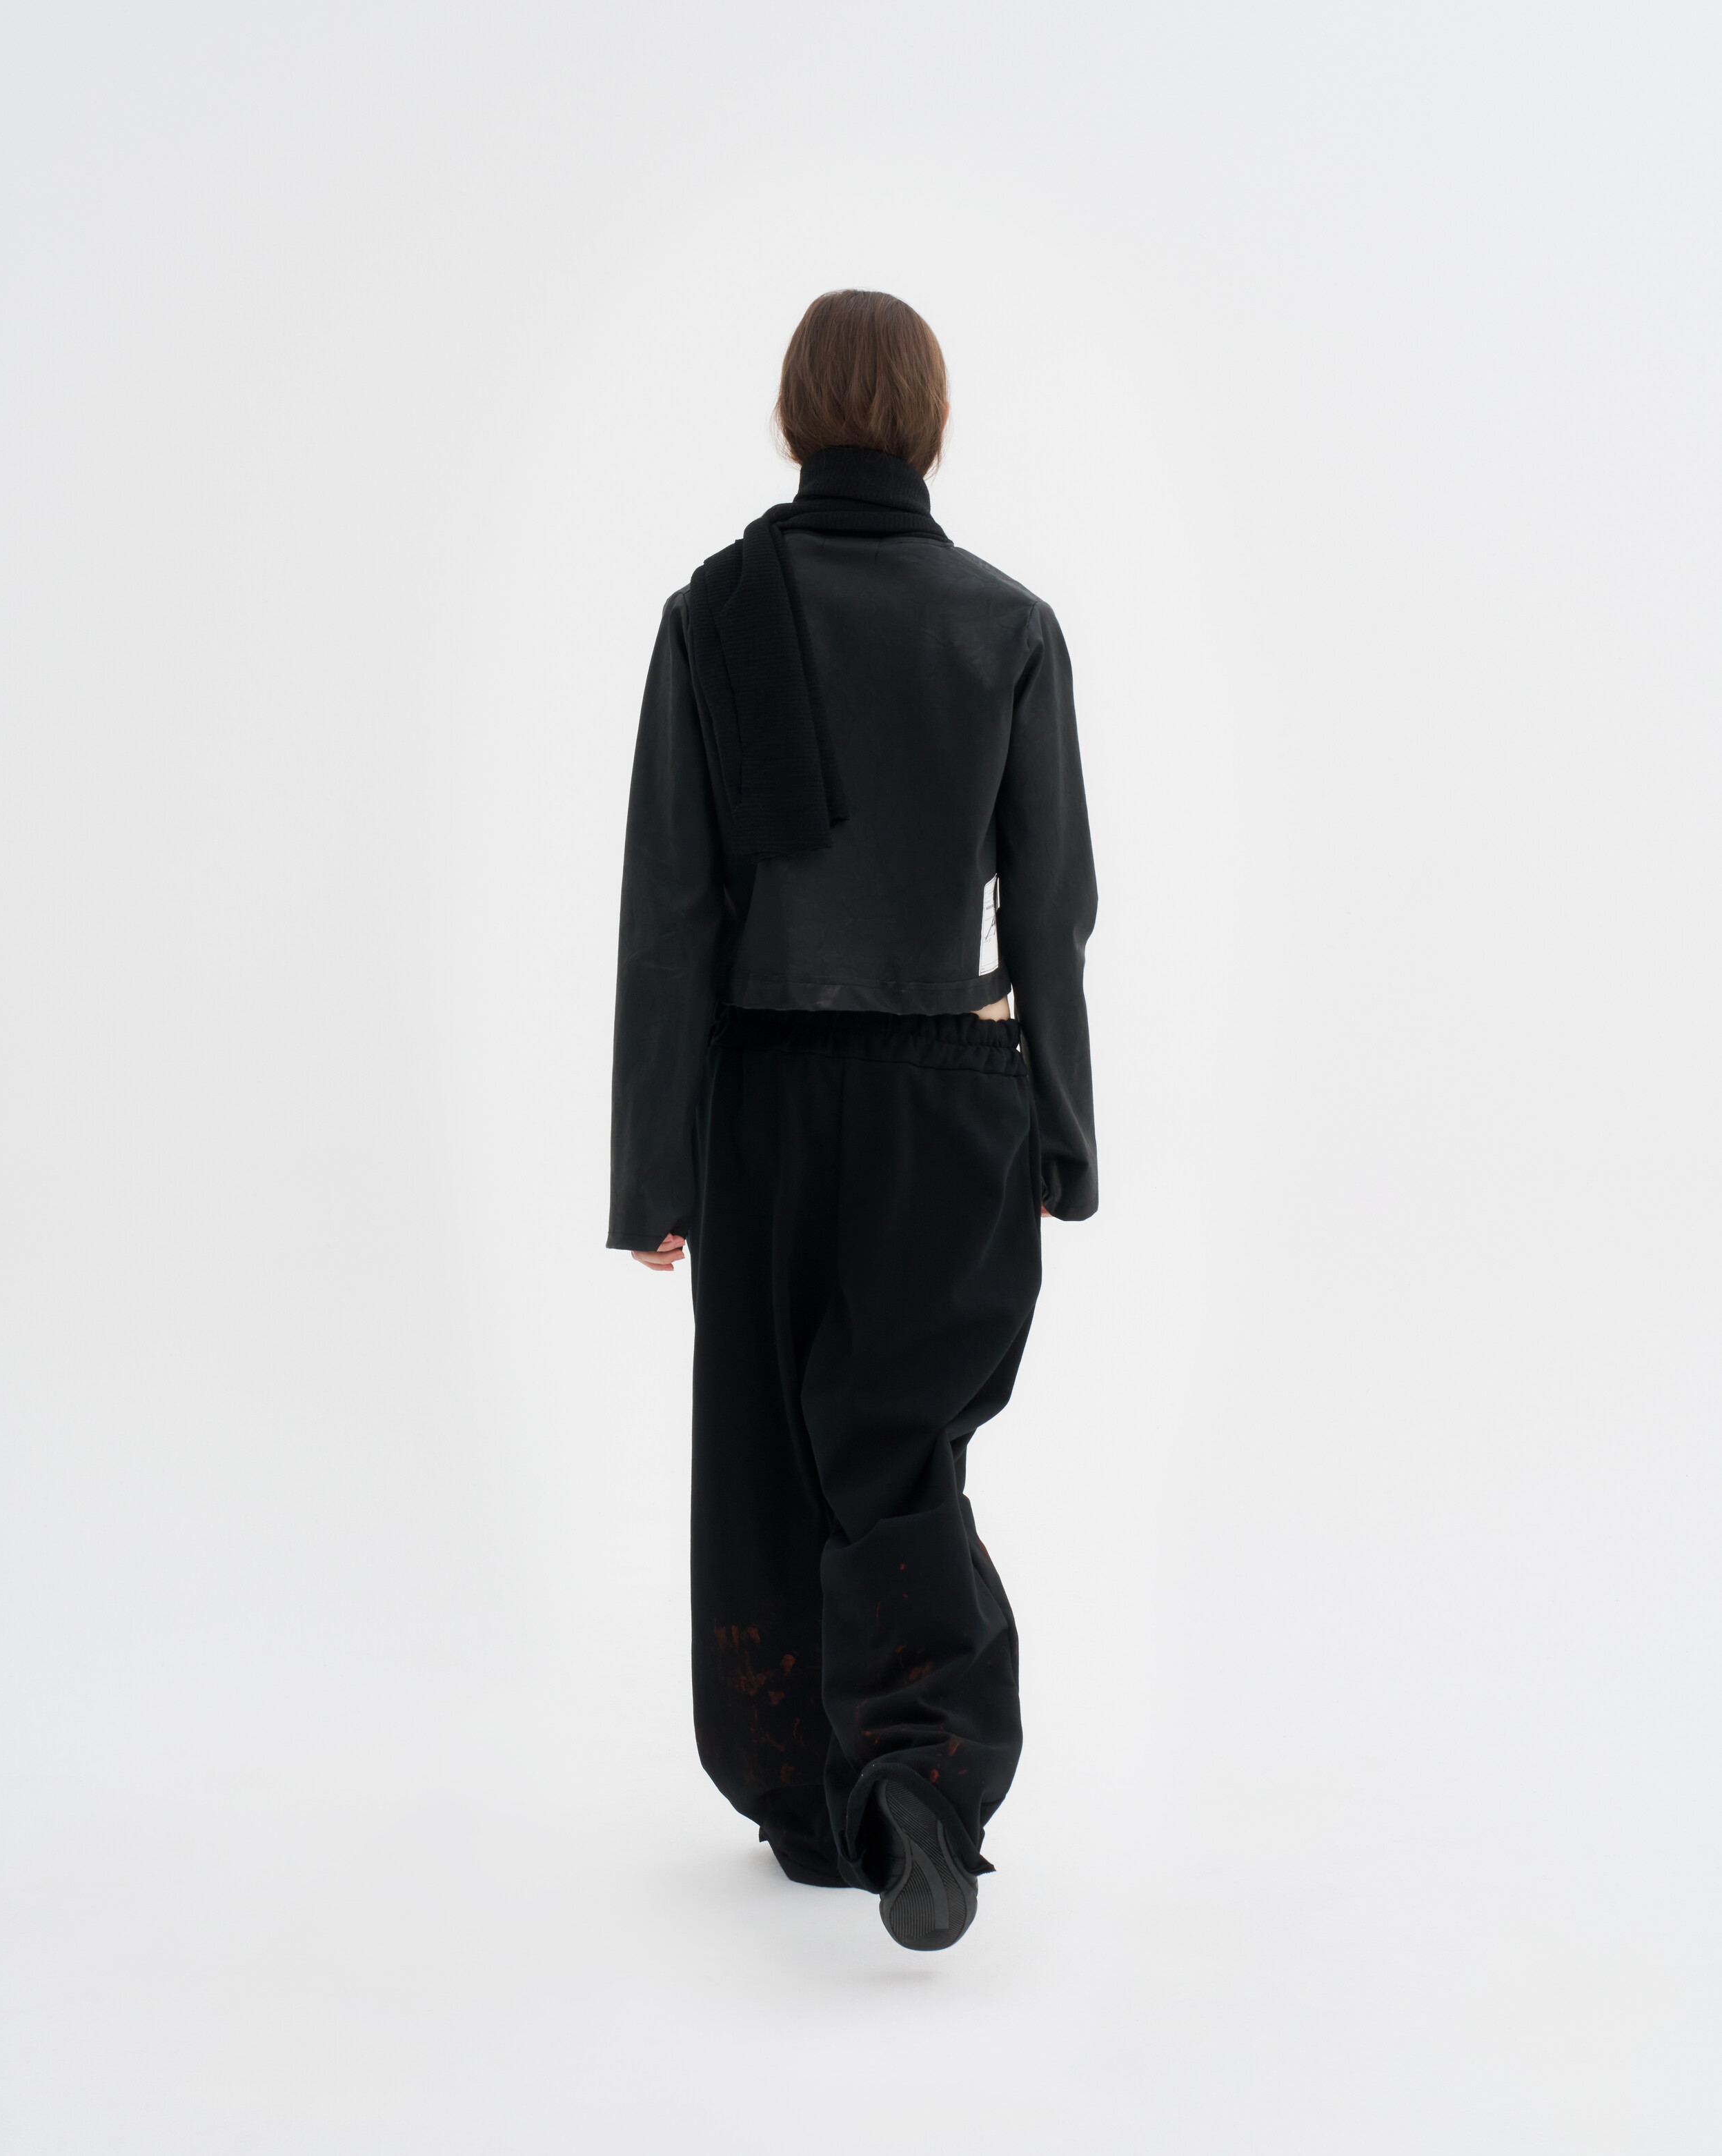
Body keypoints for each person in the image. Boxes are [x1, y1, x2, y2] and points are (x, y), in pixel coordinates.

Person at [607, 290, 1098, 1950]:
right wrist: (1062, 1135)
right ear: (931, 421)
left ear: (791, 417)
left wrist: (652, 1171)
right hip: (951, 1095)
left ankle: (807, 1798)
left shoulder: (713, 613)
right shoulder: (1006, 623)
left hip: (759, 1095)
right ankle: (923, 1780)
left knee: (763, 1450)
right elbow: (1050, 910)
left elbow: (671, 911)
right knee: (899, 1456)